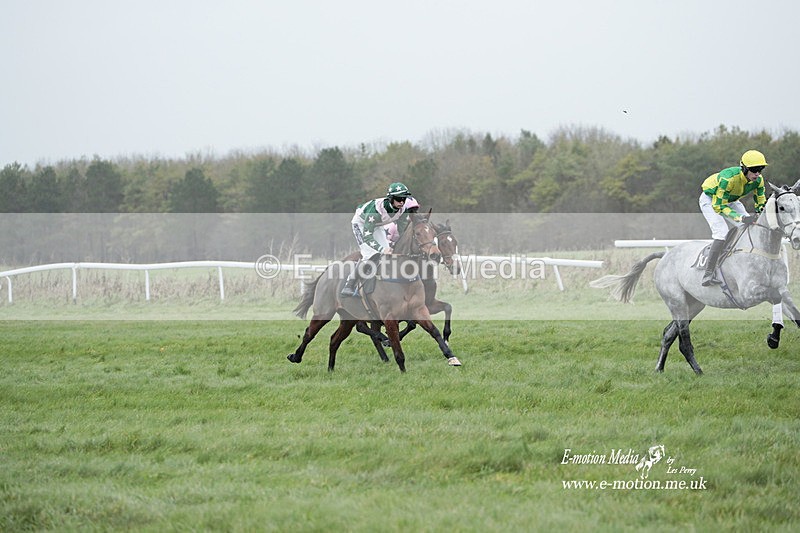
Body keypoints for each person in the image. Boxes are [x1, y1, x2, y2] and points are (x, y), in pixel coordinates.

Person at [698, 149, 767, 286]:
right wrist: (741, 218)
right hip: (711, 200)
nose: (757, 173)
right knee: (721, 232)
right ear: (744, 168)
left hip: (731, 200)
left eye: (760, 169)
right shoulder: (727, 178)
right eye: (754, 169)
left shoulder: (759, 180)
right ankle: (708, 273)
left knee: (750, 228)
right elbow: (719, 206)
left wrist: (760, 214)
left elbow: (760, 201)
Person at [340, 182, 413, 297]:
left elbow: (402, 230)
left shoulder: (403, 209)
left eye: (404, 198)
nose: (402, 202)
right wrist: (381, 249)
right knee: (370, 254)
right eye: (399, 199)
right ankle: (349, 285)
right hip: (361, 224)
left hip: (377, 225)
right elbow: (368, 236)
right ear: (391, 199)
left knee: (387, 252)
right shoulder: (376, 211)